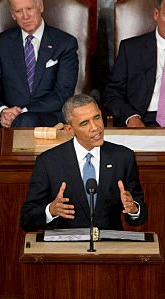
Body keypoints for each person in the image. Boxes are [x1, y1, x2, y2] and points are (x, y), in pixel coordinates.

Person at [20, 93, 147, 231]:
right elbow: (27, 218)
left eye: (97, 118)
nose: (95, 127)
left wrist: (134, 209)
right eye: (84, 123)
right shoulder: (48, 162)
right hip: (66, 247)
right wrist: (51, 210)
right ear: (69, 129)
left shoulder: (123, 157)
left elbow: (139, 217)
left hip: (109, 246)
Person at [0, 0, 79, 127]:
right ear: (12, 15)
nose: (25, 16)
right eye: (18, 11)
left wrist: (24, 112)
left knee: (26, 120)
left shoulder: (65, 43)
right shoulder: (1, 44)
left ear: (41, 6)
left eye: (29, 8)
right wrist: (3, 112)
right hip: (10, 123)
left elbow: (63, 93)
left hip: (50, 119)